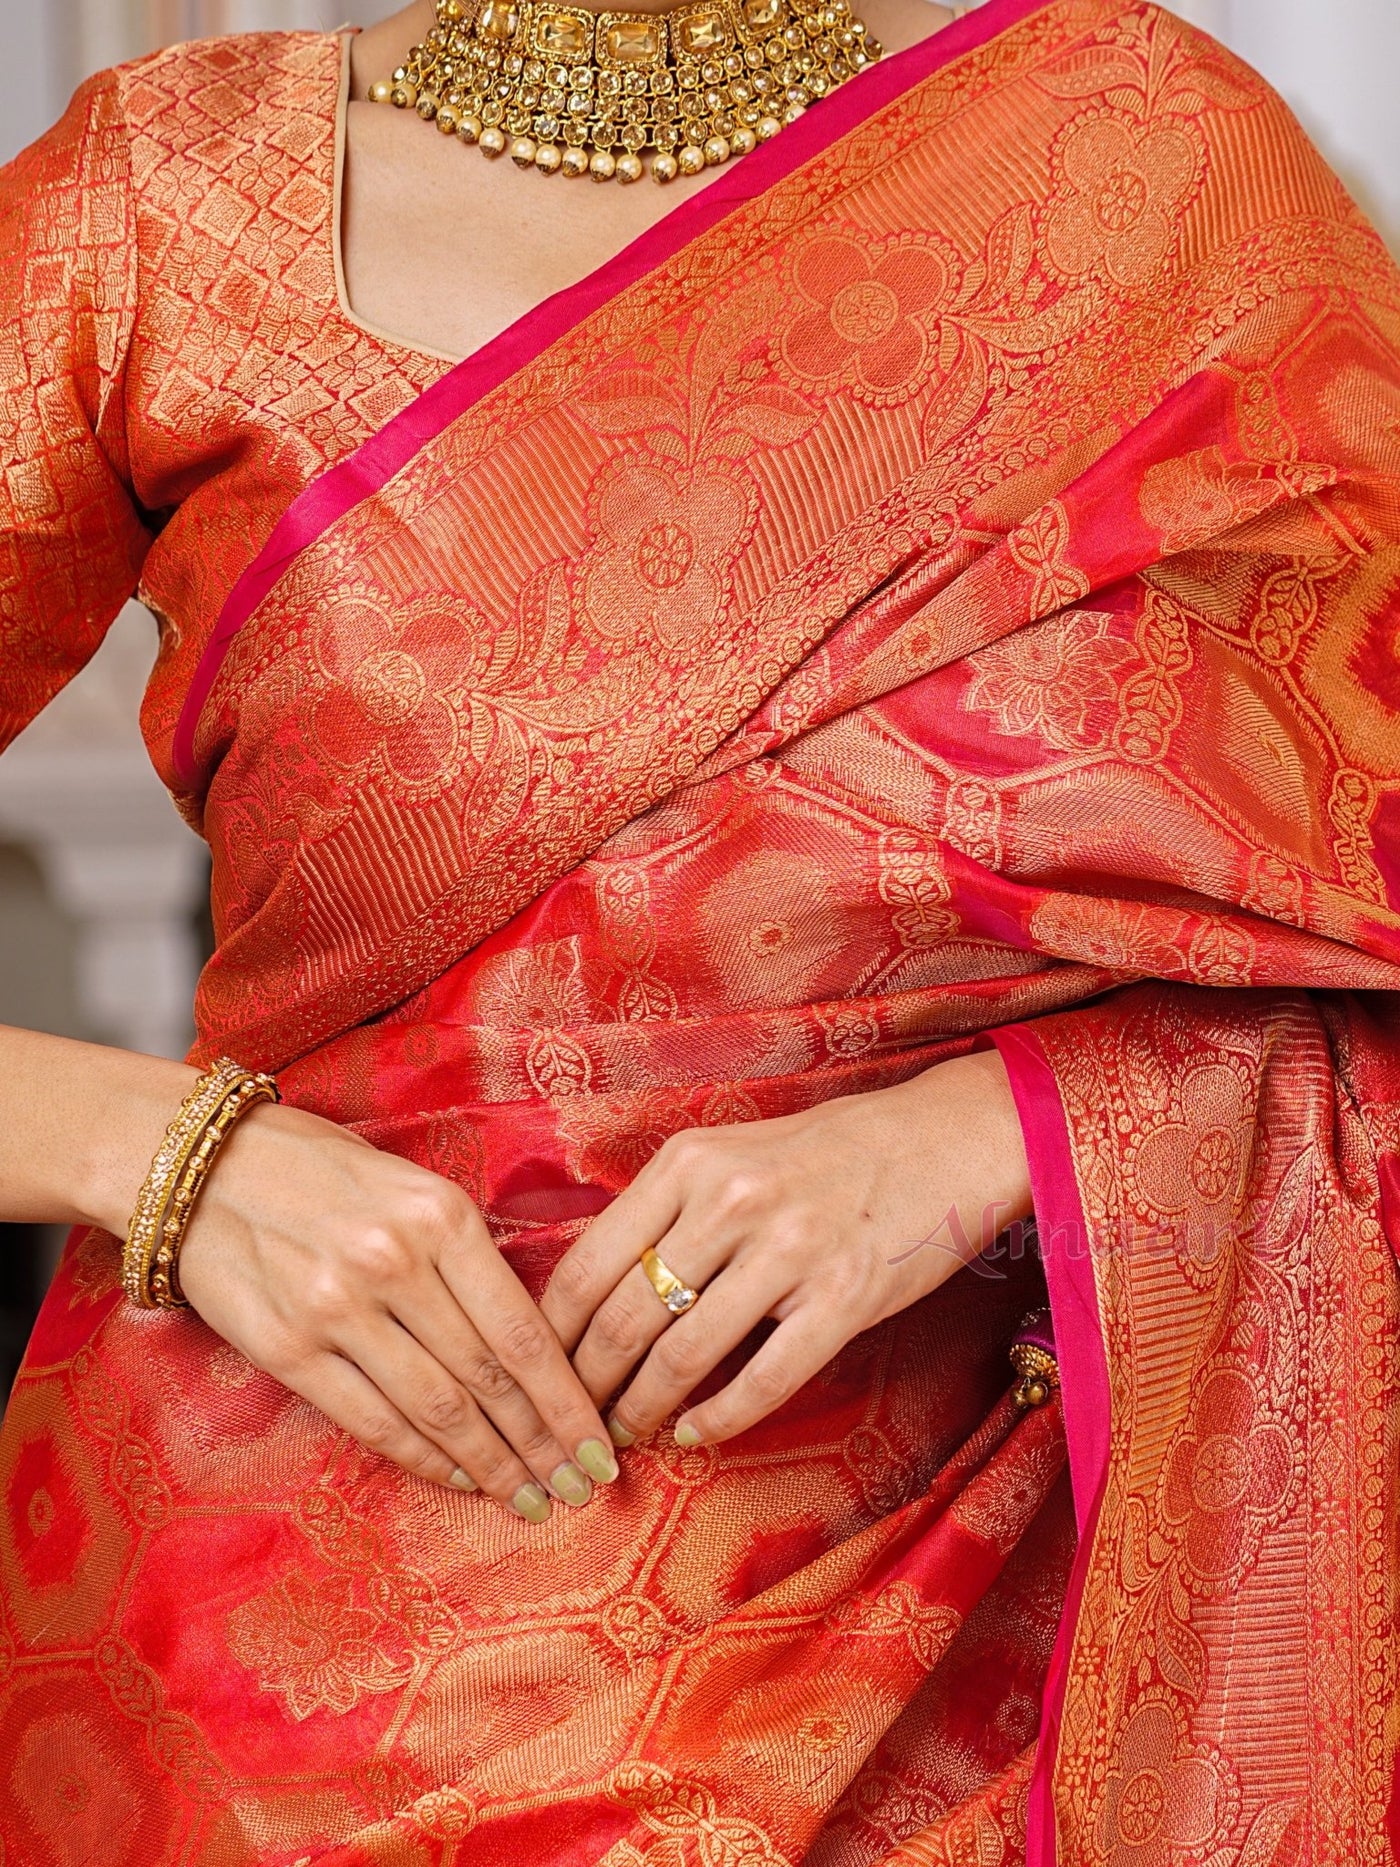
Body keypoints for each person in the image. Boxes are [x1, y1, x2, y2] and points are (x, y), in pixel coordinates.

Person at [0, 0, 1395, 1857]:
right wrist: (172, 1159)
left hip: (1004, 1655)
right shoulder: (159, 212)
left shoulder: (1155, 171)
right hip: (277, 1697)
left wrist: (986, 1140)